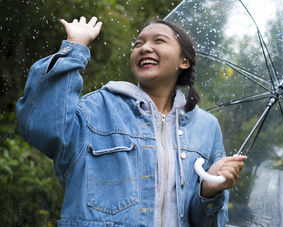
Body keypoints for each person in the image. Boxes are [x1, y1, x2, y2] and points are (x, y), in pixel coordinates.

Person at [16, 16, 247, 226]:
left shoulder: (206, 128)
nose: (145, 47)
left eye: (159, 41)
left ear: (184, 60)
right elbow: (41, 126)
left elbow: (208, 223)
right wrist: (75, 48)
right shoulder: (98, 109)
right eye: (138, 44)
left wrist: (209, 191)